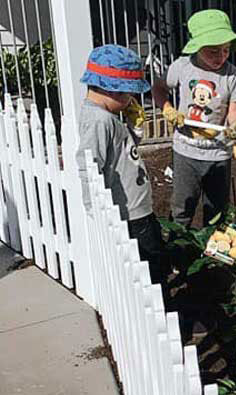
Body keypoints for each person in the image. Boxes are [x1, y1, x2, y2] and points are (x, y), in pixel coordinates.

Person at [76, 45, 166, 283]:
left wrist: (133, 126)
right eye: (129, 95)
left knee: (155, 258)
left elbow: (123, 149)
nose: (131, 100)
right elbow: (88, 163)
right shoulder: (100, 121)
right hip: (130, 214)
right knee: (150, 269)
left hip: (138, 208)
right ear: (114, 91)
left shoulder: (105, 117)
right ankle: (161, 309)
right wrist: (93, 207)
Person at [151, 9, 236, 228]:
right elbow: (158, 87)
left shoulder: (232, 75)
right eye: (213, 51)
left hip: (218, 152)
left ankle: (211, 255)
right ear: (197, 46)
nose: (221, 56)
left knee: (217, 210)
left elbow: (234, 110)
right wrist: (167, 108)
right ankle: (177, 252)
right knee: (182, 205)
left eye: (225, 50)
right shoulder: (183, 67)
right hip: (186, 150)